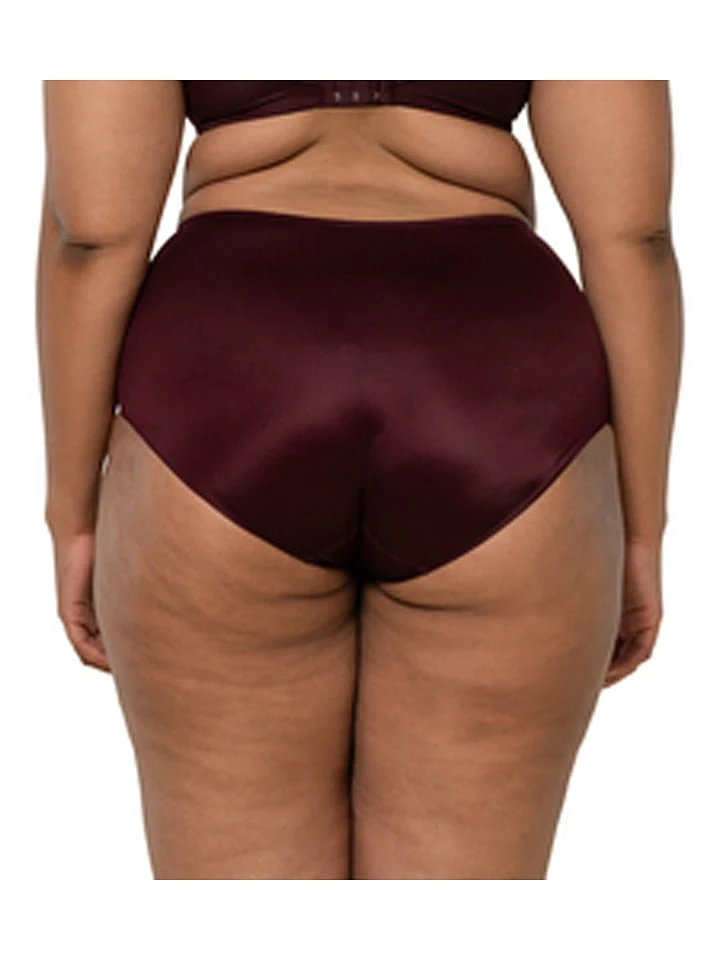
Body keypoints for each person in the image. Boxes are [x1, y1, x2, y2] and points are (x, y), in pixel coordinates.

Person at [37, 80, 683, 879]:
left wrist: (73, 512)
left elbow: (93, 234)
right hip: (498, 387)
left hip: (226, 378)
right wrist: (641, 528)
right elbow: (635, 235)